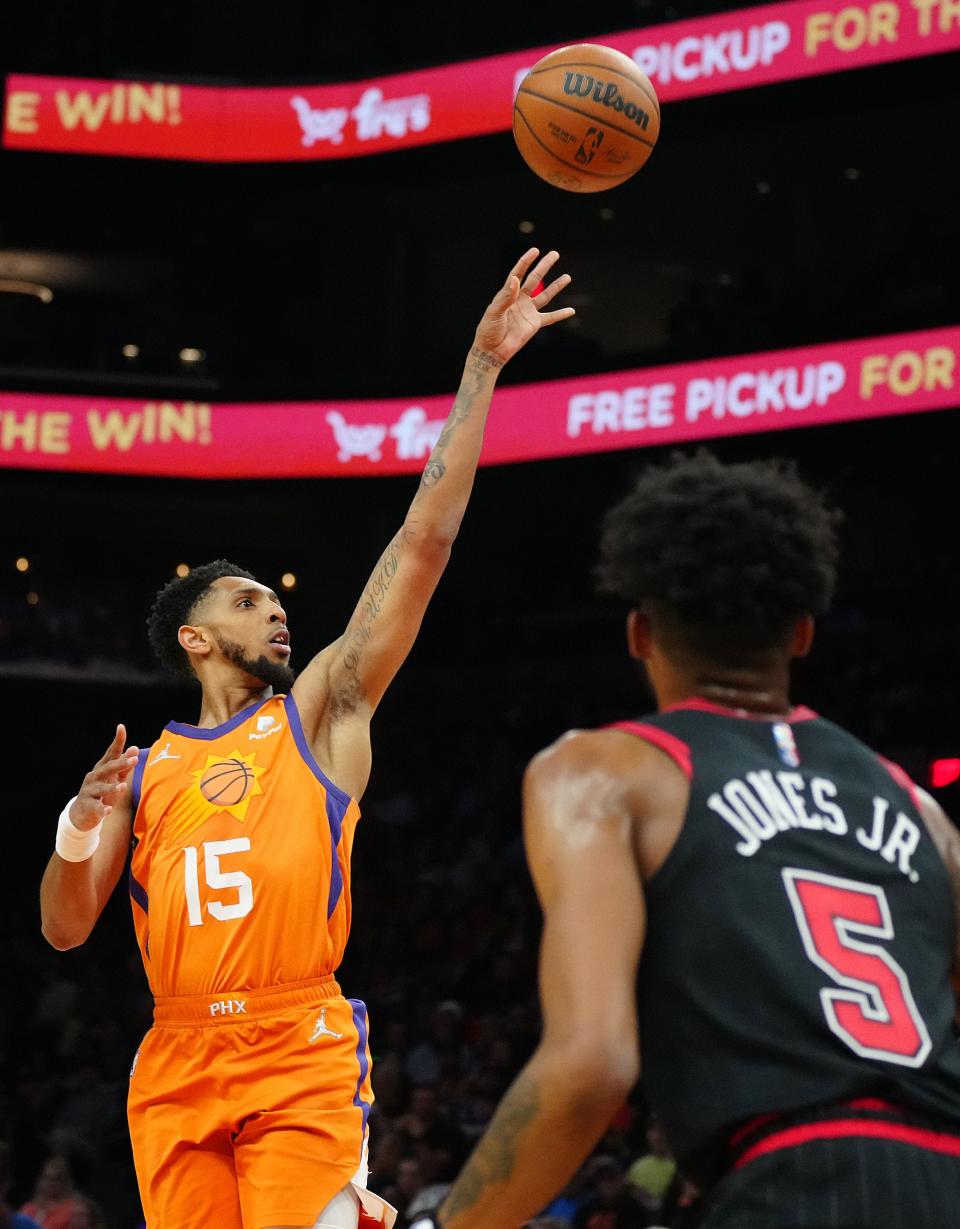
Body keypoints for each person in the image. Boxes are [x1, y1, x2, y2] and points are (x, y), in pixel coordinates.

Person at [38, 249, 574, 1229]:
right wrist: (77, 824)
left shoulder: (323, 710)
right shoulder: (145, 772)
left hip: (297, 1040)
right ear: (194, 636)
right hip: (176, 1059)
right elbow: (66, 926)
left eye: (279, 598)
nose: (277, 611)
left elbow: (422, 544)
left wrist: (481, 369)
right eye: (249, 601)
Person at [434, 452, 960, 1229]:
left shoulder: (601, 772)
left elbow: (593, 1062)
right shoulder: (925, 812)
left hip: (787, 1180)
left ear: (639, 632)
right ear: (804, 633)